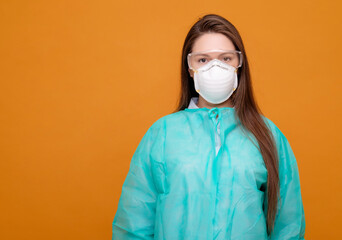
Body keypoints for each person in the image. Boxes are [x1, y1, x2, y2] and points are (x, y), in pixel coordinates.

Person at [112, 14, 306, 240]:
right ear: (190, 67)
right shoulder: (162, 135)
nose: (215, 67)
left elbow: (288, 227)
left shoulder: (267, 136)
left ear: (239, 64)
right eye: (203, 60)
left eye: (226, 58)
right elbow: (134, 223)